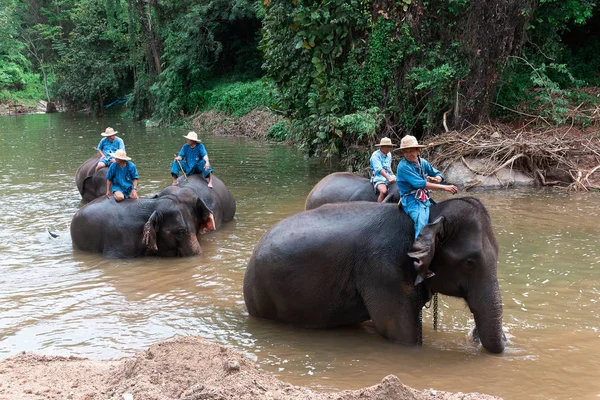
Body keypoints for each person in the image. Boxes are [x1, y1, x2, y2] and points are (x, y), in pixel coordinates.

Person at [396, 135, 458, 282]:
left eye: (412, 150)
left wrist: (437, 178)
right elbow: (420, 184)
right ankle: (420, 260)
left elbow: (438, 174)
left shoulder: (422, 162)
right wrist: (444, 187)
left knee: (440, 215)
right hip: (411, 200)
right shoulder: (403, 167)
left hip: (423, 198)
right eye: (406, 151)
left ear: (418, 150)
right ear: (403, 153)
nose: (410, 153)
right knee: (422, 222)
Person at [370, 137, 397, 203]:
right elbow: (379, 169)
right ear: (381, 147)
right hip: (378, 177)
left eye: (389, 146)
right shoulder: (375, 155)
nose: (388, 148)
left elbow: (388, 166)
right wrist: (389, 178)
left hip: (389, 175)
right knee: (383, 191)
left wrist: (392, 175)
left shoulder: (389, 154)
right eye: (386, 147)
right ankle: (379, 206)